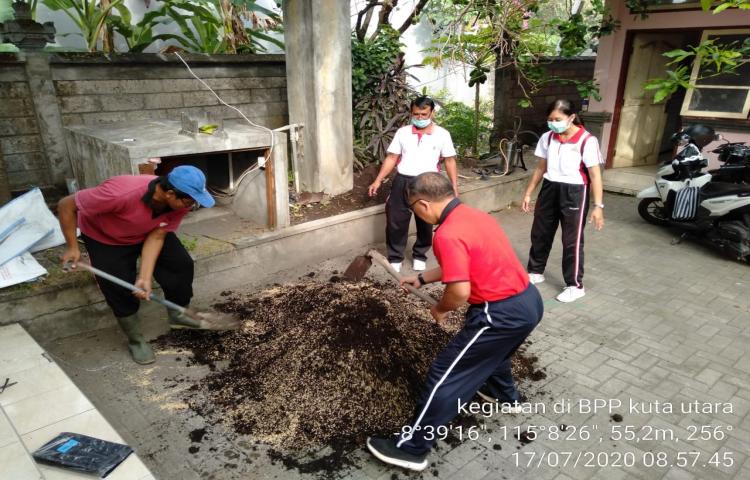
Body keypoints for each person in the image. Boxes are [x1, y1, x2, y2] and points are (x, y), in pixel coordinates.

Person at [366, 172, 544, 472]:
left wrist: (440, 308)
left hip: (497, 314)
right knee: (494, 353)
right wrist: (421, 277)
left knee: (445, 374)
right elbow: (461, 264)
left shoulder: (446, 234)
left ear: (423, 205)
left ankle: (411, 448)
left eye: (413, 210)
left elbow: (459, 292)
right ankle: (504, 394)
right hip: (529, 302)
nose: (416, 216)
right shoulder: (475, 216)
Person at [57, 166, 215, 365]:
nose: (191, 205)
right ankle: (135, 340)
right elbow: (66, 205)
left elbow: (157, 236)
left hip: (146, 231)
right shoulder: (119, 193)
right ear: (169, 193)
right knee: (118, 285)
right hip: (106, 237)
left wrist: (145, 277)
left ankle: (178, 314)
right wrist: (72, 246)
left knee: (180, 264)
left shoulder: (180, 203)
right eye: (189, 200)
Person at [522, 99, 605, 303]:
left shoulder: (587, 140)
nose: (553, 123)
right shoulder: (548, 138)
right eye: (550, 119)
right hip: (550, 188)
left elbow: (595, 175)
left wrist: (598, 206)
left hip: (575, 191)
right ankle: (535, 271)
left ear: (571, 118)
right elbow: (541, 168)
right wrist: (528, 192)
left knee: (571, 241)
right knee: (540, 233)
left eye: (557, 119)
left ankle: (575, 285)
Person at [368, 96, 458, 273]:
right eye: (416, 114)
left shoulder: (442, 134)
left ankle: (419, 255)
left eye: (424, 114)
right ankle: (395, 257)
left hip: (428, 182)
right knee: (396, 218)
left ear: (432, 112)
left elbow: (449, 161)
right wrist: (378, 180)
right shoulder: (403, 132)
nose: (420, 117)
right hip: (403, 180)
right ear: (411, 113)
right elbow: (392, 157)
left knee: (426, 219)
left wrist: (454, 185)